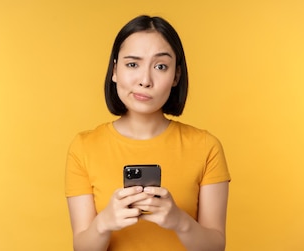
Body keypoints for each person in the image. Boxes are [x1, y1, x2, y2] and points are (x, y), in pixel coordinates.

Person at [65, 15, 231, 251]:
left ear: (176, 76)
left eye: (160, 66)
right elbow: (82, 247)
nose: (145, 80)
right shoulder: (84, 147)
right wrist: (104, 223)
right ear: (114, 71)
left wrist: (179, 220)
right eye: (132, 64)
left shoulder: (206, 146)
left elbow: (215, 247)